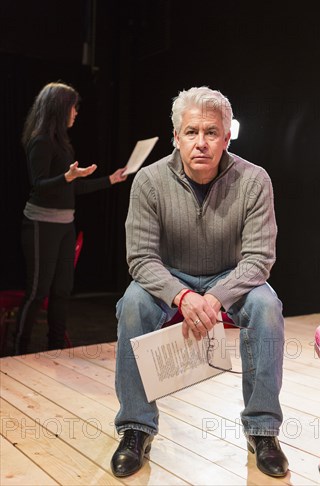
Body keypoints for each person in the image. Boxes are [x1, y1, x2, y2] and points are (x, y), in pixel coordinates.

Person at [111, 86, 289, 479]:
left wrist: (216, 297)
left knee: (266, 306)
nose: (202, 143)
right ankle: (136, 427)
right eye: (191, 132)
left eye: (212, 133)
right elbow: (140, 257)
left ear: (227, 137)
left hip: (231, 276)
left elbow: (260, 258)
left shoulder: (255, 180)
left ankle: (262, 430)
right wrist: (183, 294)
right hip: (171, 276)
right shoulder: (149, 181)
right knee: (134, 304)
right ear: (176, 137)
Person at [14, 81, 127, 355]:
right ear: (60, 107)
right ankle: (18, 352)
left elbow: (71, 186)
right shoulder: (40, 140)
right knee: (37, 291)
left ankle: (55, 350)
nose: (76, 112)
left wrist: (110, 180)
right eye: (73, 107)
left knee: (62, 291)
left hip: (65, 224)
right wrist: (67, 176)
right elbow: (39, 184)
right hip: (41, 225)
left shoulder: (62, 143)